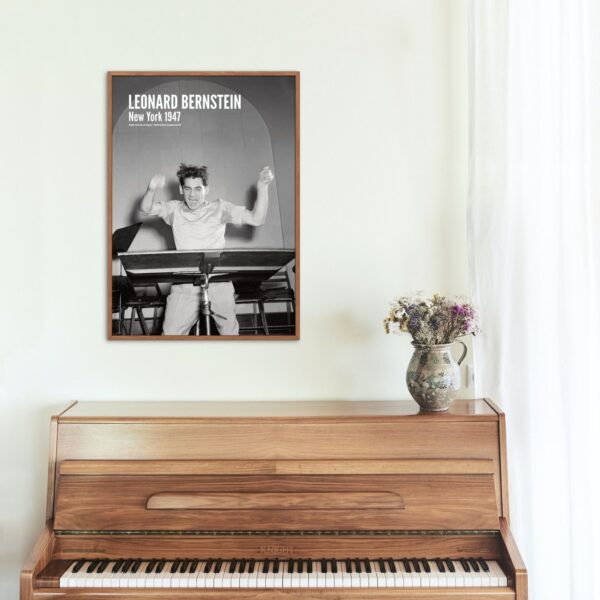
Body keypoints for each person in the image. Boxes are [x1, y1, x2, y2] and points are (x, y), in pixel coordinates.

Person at [140, 163, 274, 335]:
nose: (193, 195)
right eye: (188, 189)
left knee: (229, 334)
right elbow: (146, 208)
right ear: (181, 190)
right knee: (171, 334)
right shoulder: (174, 209)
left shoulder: (220, 207)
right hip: (185, 284)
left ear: (207, 189)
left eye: (198, 189)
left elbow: (257, 219)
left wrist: (263, 187)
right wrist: (151, 188)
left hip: (218, 281)